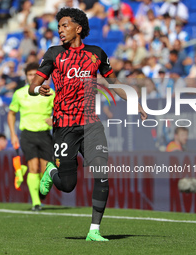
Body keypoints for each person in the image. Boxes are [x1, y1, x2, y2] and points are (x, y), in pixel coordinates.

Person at [28, 7, 147, 241]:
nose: (60, 30)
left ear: (78, 28)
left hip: (91, 124)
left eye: (64, 26)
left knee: (102, 172)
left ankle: (94, 230)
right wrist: (37, 89)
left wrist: (135, 102)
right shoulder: (53, 54)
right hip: (64, 125)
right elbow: (33, 84)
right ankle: (51, 171)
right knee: (68, 185)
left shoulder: (96, 54)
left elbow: (113, 83)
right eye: (59, 26)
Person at [8, 62, 55, 211]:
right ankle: (36, 203)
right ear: (26, 76)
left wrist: (54, 120)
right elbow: (12, 113)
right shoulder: (20, 93)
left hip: (45, 134)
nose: (33, 77)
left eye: (36, 74)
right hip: (27, 134)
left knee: (46, 171)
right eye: (30, 74)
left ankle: (40, 194)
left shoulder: (50, 93)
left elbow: (62, 112)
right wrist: (13, 134)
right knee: (33, 168)